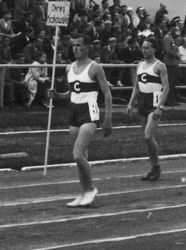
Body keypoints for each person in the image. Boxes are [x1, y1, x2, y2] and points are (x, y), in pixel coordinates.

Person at [48, 35, 113, 208]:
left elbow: (107, 93)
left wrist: (108, 118)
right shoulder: (69, 68)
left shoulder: (95, 67)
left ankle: (90, 188)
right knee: (81, 157)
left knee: (77, 154)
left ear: (87, 47)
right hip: (74, 112)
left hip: (89, 112)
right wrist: (57, 96)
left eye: (79, 45)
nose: (75, 48)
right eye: (73, 46)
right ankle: (84, 192)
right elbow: (72, 92)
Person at [126, 37, 169, 181]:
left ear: (154, 49)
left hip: (154, 103)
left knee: (148, 136)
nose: (144, 50)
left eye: (147, 47)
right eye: (143, 47)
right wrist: (131, 103)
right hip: (143, 101)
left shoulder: (159, 66)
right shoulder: (140, 65)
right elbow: (137, 86)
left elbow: (166, 88)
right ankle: (154, 167)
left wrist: (160, 107)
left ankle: (157, 167)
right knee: (147, 139)